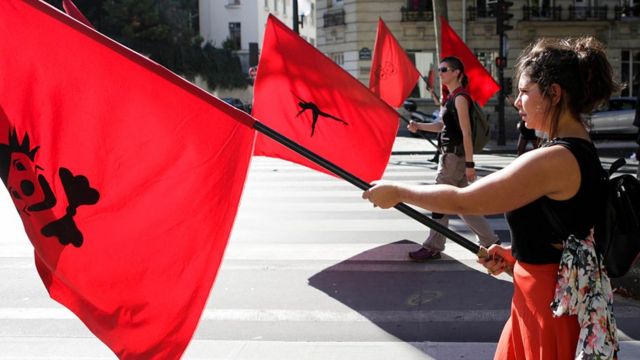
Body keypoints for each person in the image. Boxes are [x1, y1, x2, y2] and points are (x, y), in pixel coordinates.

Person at [363, 37, 619, 359]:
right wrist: (516, 256)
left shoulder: (555, 159)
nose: (516, 102)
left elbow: (463, 201)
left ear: (554, 94)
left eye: (524, 92)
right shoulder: (577, 149)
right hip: (546, 297)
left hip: (547, 308)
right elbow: (565, 231)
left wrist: (399, 192)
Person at [405, 56, 498, 261]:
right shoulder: (451, 97)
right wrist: (419, 126)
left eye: (444, 69)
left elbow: (466, 133)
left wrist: (470, 165)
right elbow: (441, 127)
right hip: (451, 156)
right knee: (463, 205)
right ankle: (491, 242)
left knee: (439, 201)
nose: (440, 73)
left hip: (454, 159)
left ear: (457, 72)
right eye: (439, 69)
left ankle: (433, 246)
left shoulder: (460, 98)